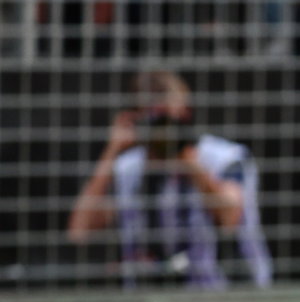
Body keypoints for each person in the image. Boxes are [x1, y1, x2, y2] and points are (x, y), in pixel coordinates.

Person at [67, 70, 272, 289]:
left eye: (169, 119)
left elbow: (229, 217)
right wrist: (112, 150)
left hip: (222, 299)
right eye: (155, 120)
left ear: (185, 114)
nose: (163, 131)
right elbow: (80, 231)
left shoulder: (225, 158)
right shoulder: (127, 168)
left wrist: (189, 163)